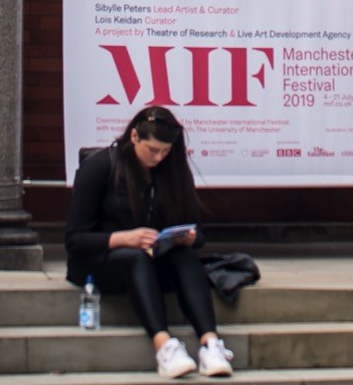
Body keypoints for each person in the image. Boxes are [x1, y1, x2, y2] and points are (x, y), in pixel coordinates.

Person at [65, 104, 235, 379]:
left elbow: (200, 232)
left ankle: (210, 343)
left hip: (154, 261)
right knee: (136, 256)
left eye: (165, 152)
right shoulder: (100, 166)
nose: (158, 158)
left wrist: (188, 237)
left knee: (185, 254)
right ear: (134, 137)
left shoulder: (172, 171)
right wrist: (123, 238)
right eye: (152, 150)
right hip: (100, 263)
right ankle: (164, 346)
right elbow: (74, 239)